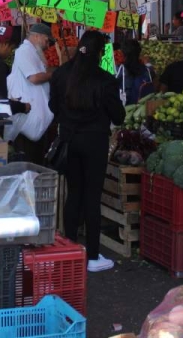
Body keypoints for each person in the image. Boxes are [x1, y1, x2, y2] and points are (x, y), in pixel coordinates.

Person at [49, 31, 126, 272]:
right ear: (100, 53)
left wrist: (68, 119)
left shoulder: (61, 74)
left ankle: (70, 249)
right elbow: (118, 116)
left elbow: (53, 106)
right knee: (92, 198)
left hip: (69, 140)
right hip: (95, 142)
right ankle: (92, 256)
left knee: (74, 194)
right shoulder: (105, 80)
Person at [8, 23, 55, 164]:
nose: (48, 45)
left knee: (35, 158)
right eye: (47, 40)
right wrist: (54, 74)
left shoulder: (34, 53)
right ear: (36, 36)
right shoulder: (24, 52)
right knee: (28, 159)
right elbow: (34, 77)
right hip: (26, 116)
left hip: (33, 115)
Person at [121, 39, 153, 105]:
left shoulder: (119, 70)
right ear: (139, 52)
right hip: (141, 111)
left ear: (123, 53)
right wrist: (148, 65)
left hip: (123, 111)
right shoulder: (148, 70)